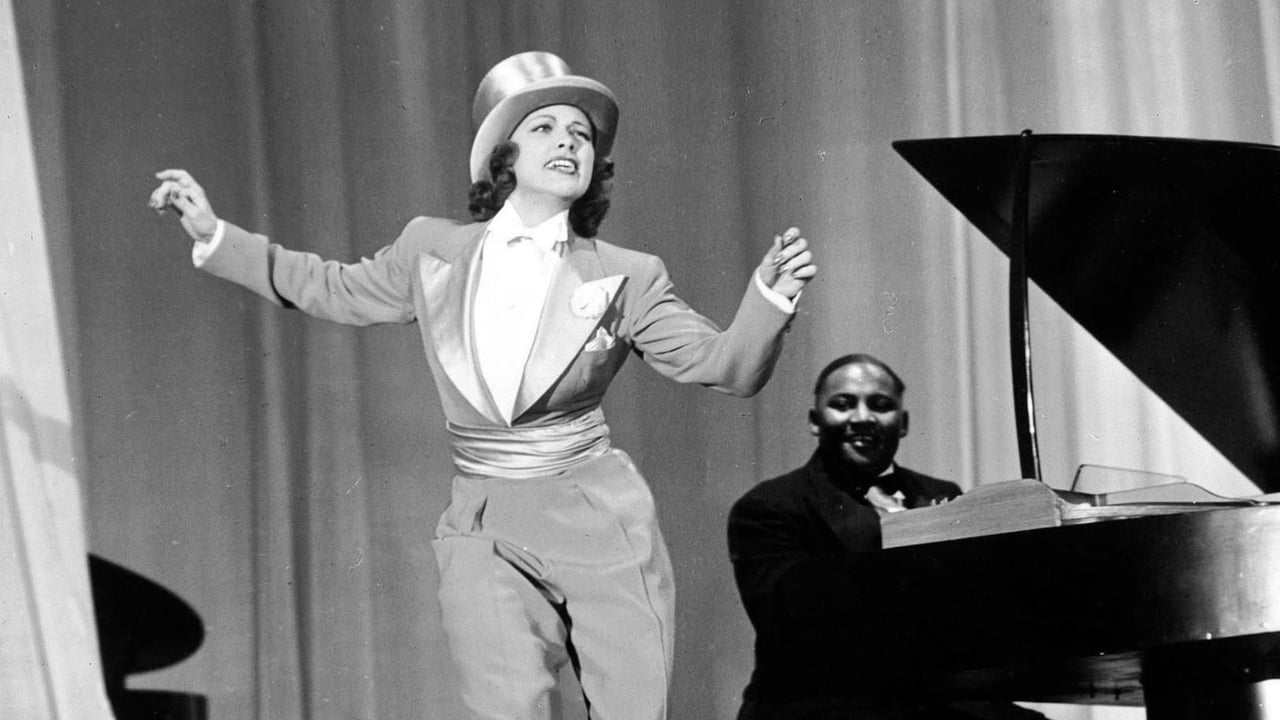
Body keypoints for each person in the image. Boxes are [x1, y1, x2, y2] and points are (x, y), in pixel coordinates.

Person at [148, 51, 815, 720]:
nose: (568, 144)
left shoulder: (630, 274)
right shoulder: (430, 249)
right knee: (505, 709)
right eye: (545, 128)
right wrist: (217, 237)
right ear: (504, 158)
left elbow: (725, 367)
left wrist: (770, 300)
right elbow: (331, 287)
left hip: (598, 520)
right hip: (484, 524)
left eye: (581, 135)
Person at [727, 354, 1045, 720]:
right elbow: (794, 628)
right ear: (815, 421)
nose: (863, 417)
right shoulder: (768, 506)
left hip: (925, 699)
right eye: (843, 404)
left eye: (880, 405)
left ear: (903, 423)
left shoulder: (942, 492)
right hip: (818, 702)